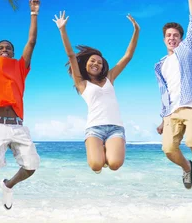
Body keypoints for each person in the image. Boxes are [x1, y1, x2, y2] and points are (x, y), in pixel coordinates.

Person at [0, 0, 40, 210]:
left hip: (17, 124)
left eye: (8, 48)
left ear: (13, 53)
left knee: (31, 166)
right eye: (1, 48)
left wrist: (33, 13)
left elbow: (31, 42)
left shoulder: (21, 67)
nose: (5, 50)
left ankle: (8, 185)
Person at [54, 10, 139, 173]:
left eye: (99, 62)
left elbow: (127, 57)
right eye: (92, 61)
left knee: (114, 165)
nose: (96, 64)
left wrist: (136, 31)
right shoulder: (82, 83)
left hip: (115, 128)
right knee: (95, 166)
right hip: (94, 129)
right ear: (86, 64)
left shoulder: (109, 78)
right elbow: (71, 55)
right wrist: (62, 29)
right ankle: (101, 153)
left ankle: (108, 150)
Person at [155, 0, 192, 189]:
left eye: (175, 35)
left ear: (181, 38)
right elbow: (165, 94)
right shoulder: (160, 65)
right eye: (168, 36)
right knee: (169, 149)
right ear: (164, 39)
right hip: (172, 112)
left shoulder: (188, 49)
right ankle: (187, 167)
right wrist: (163, 119)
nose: (172, 38)